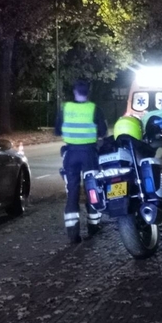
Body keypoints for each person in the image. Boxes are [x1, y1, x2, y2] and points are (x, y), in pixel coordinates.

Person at [54, 78, 108, 243]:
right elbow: (103, 132)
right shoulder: (94, 109)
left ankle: (73, 234)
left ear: (74, 91)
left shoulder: (65, 108)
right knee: (92, 189)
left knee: (73, 192)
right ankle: (93, 226)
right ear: (88, 92)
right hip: (89, 153)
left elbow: (57, 130)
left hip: (70, 154)